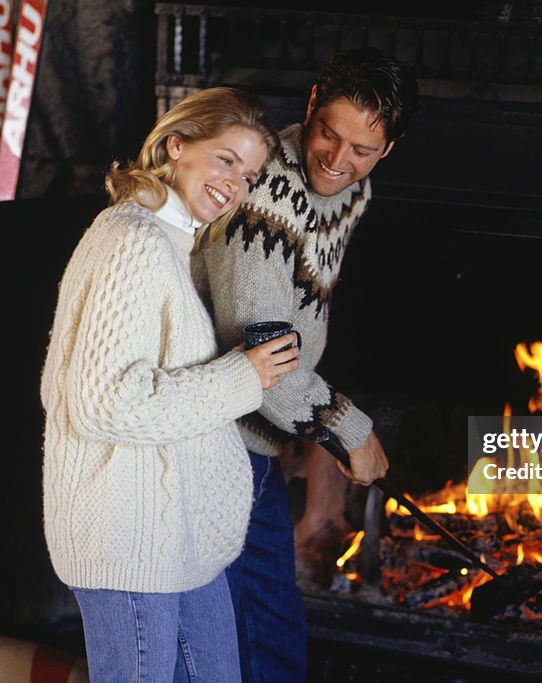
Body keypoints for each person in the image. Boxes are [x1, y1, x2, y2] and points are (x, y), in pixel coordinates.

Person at [40, 87, 300, 682]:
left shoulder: (169, 244)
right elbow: (104, 400)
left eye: (249, 174)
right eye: (225, 160)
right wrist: (245, 375)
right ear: (176, 145)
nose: (234, 185)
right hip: (127, 537)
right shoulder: (132, 242)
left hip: (175, 533)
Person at [191, 48, 419, 681]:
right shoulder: (267, 195)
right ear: (313, 100)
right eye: (329, 133)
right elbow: (262, 353)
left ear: (387, 150)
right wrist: (349, 429)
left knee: (271, 628)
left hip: (255, 441)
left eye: (362, 150)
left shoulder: (351, 189)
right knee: (243, 639)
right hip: (215, 441)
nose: (337, 160)